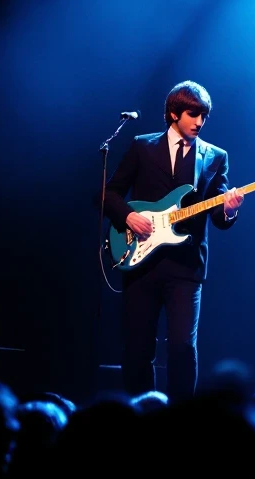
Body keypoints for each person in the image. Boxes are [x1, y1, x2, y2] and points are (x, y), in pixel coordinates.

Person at [103, 80, 243, 402]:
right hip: (140, 260)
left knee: (182, 346)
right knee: (138, 346)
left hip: (186, 267)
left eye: (204, 116)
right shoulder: (142, 146)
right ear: (173, 113)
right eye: (193, 114)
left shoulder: (215, 156)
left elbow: (219, 219)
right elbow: (109, 193)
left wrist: (230, 210)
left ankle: (181, 423)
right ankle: (142, 417)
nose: (199, 122)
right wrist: (127, 216)